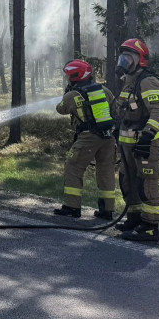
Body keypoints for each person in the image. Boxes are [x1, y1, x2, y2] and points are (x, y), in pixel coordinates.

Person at [113, 38, 159, 242]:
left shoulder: (147, 81)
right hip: (127, 144)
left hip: (145, 144)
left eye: (129, 57)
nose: (124, 61)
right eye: (122, 57)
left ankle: (150, 226)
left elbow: (157, 109)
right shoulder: (129, 82)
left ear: (140, 59)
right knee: (127, 181)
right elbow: (122, 110)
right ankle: (134, 218)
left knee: (146, 185)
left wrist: (148, 135)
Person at [54, 59, 117, 220]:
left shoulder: (72, 95)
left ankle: (72, 206)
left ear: (74, 76)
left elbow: (60, 109)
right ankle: (107, 210)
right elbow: (115, 109)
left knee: (73, 166)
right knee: (106, 171)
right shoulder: (104, 90)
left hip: (88, 137)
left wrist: (67, 93)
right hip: (109, 137)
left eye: (69, 77)